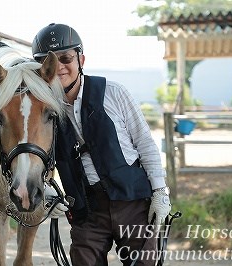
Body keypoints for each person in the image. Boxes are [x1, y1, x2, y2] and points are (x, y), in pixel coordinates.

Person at [32, 23, 171, 266]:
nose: (59, 67)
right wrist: (48, 193)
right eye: (48, 61)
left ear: (81, 59)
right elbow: (36, 159)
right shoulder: (41, 111)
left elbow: (145, 144)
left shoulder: (115, 93)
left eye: (66, 58)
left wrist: (160, 192)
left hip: (132, 203)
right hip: (87, 211)